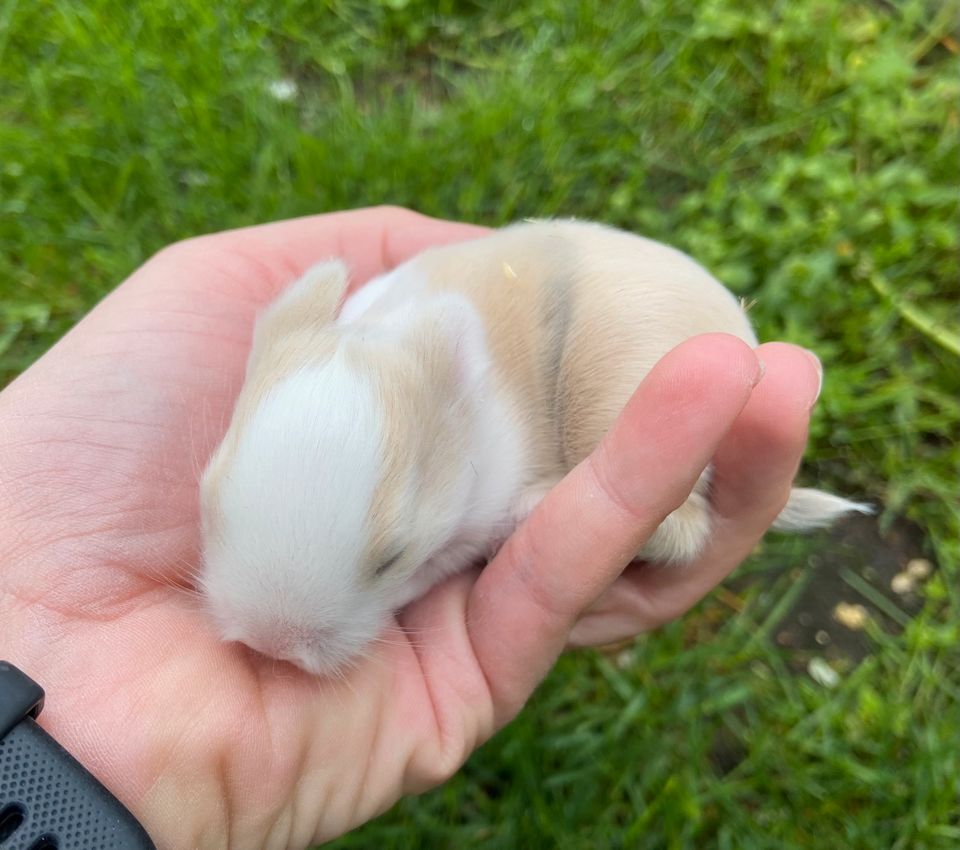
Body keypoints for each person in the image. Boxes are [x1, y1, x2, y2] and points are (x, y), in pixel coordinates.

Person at [0, 206, 823, 849]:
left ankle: (671, 511)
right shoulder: (324, 340)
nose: (271, 636)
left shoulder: (465, 411)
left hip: (636, 328)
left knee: (625, 367)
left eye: (386, 551)